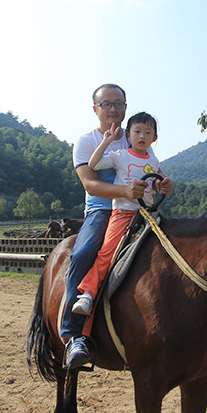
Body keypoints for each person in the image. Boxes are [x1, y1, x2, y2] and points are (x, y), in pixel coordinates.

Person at [62, 85, 172, 369]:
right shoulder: (87, 142)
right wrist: (124, 191)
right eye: (107, 104)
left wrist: (160, 186)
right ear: (95, 108)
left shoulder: (137, 135)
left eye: (119, 103)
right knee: (84, 252)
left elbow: (151, 172)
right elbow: (90, 183)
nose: (113, 109)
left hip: (141, 208)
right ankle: (75, 335)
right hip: (103, 209)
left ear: (126, 107)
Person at [71, 111, 166, 317]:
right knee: (107, 251)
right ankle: (87, 292)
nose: (142, 136)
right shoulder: (120, 156)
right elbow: (93, 164)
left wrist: (164, 186)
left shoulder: (153, 159)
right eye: (137, 132)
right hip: (123, 213)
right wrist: (106, 142)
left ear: (154, 138)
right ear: (128, 136)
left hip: (148, 213)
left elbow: (159, 182)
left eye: (147, 132)